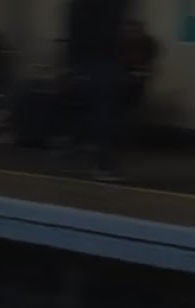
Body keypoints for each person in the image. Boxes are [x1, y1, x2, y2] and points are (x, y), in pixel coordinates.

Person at [66, 0, 130, 181]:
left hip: (99, 61)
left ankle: (85, 150)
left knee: (100, 112)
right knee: (101, 113)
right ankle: (102, 162)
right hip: (96, 61)